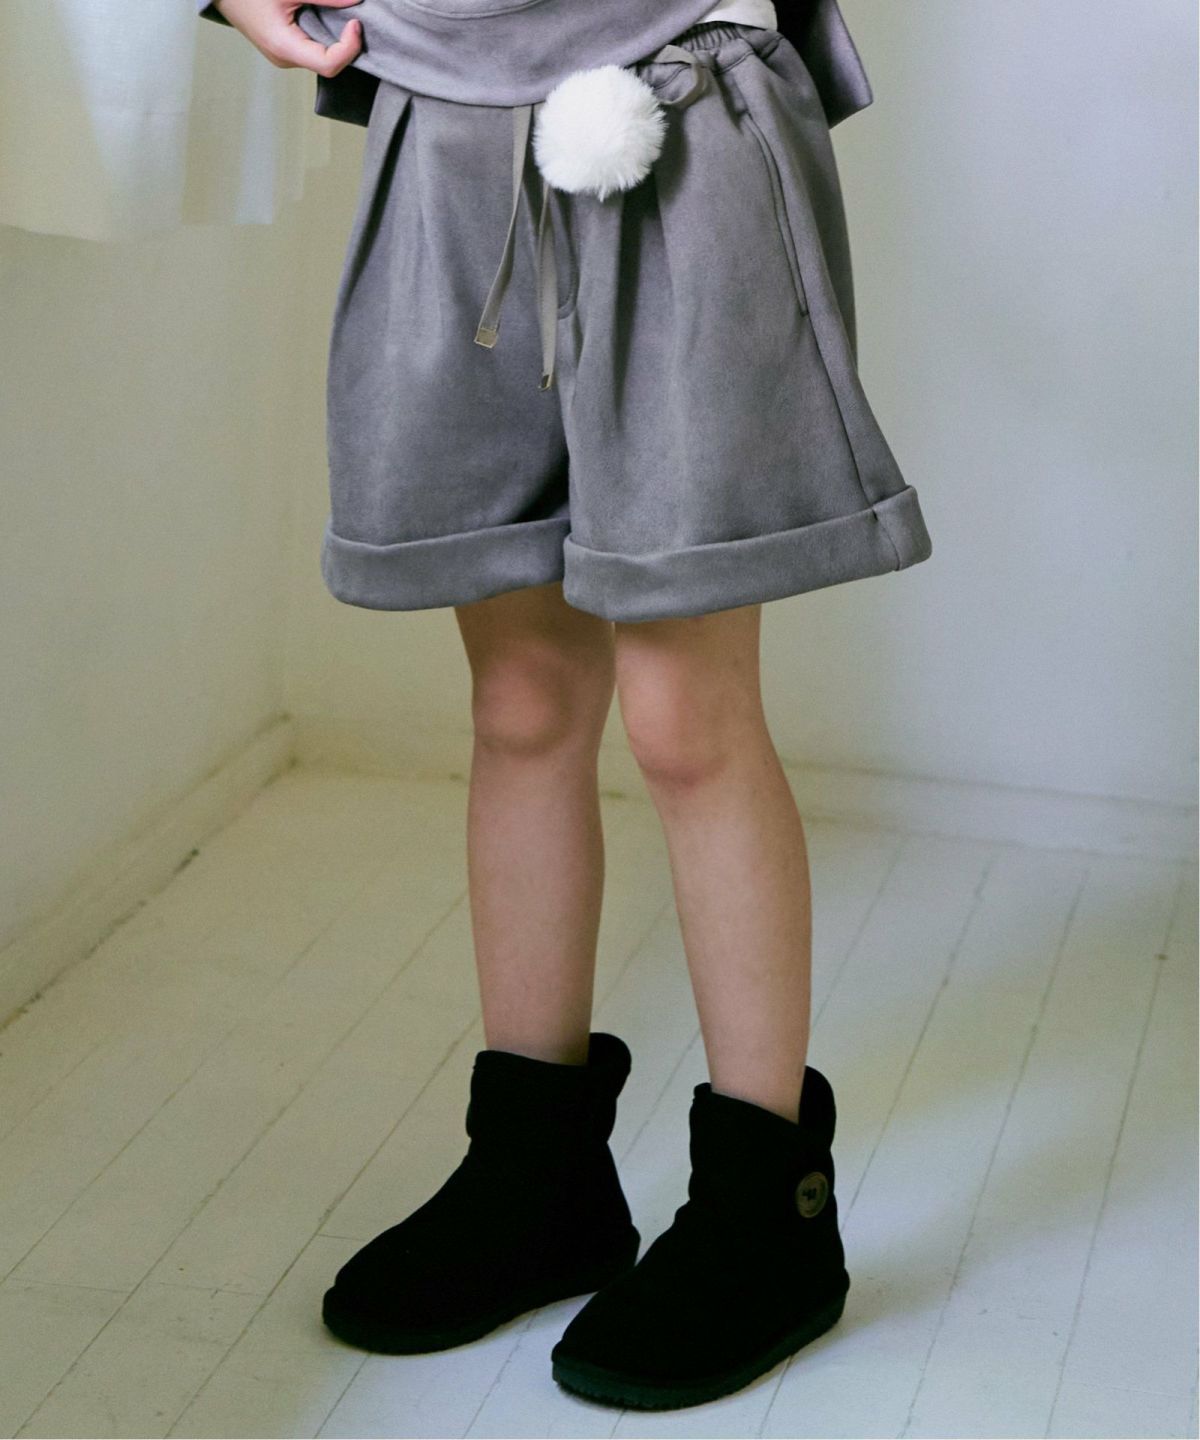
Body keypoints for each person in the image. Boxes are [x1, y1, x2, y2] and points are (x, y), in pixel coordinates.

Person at [202, 0, 932, 1411]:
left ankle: (764, 1204)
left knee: (685, 716)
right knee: (523, 698)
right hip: (442, 111)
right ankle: (535, 1171)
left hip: (675, 101)